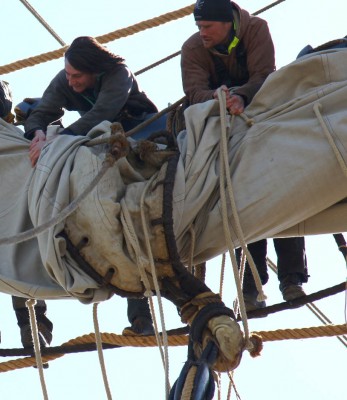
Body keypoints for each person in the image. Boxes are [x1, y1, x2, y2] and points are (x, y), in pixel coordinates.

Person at [180, 0, 308, 311]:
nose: (202, 33)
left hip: (261, 117)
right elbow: (193, 92)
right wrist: (216, 97)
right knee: (237, 203)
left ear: (228, 23)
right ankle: (250, 289)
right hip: (220, 131)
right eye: (198, 27)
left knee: (281, 195)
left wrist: (242, 96)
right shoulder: (194, 48)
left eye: (207, 26)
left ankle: (291, 279)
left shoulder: (255, 30)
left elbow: (265, 75)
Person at [23, 36, 155, 335]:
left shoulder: (118, 75)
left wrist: (59, 140)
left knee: (133, 216)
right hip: (94, 141)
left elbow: (102, 114)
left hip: (139, 133)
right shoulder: (68, 78)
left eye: (77, 77)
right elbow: (43, 111)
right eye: (68, 75)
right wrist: (39, 135)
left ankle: (141, 317)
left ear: (94, 71)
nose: (70, 82)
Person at [0, 80, 53, 349]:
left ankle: (33, 327)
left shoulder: (13, 138)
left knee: (18, 256)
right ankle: (33, 327)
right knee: (17, 257)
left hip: (11, 206)